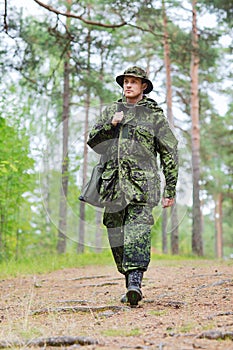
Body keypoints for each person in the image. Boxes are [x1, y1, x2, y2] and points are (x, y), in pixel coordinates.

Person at [87, 66, 178, 307]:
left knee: (138, 233)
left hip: (142, 186)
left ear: (143, 87)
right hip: (113, 185)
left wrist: (171, 190)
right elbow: (94, 144)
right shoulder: (111, 111)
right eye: (125, 82)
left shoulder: (154, 116)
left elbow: (169, 153)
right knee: (116, 236)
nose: (128, 85)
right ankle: (130, 280)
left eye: (133, 82)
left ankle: (134, 284)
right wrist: (111, 126)